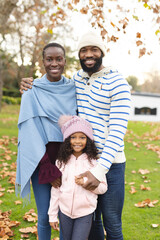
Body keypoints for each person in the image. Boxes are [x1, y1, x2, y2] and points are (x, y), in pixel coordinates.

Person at [20, 30, 131, 240]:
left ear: (102, 52)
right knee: (91, 220)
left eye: (94, 49)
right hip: (82, 159)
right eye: (84, 50)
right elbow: (52, 87)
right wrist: (29, 83)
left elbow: (117, 132)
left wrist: (99, 170)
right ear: (79, 55)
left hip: (111, 164)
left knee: (112, 223)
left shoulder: (118, 83)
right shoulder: (78, 80)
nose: (89, 54)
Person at [16, 42, 77, 240]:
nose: (54, 63)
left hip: (68, 162)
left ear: (65, 61)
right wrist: (47, 169)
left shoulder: (74, 89)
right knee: (44, 217)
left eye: (58, 59)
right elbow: (29, 134)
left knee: (67, 214)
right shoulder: (31, 90)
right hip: (41, 162)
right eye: (49, 59)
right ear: (42, 62)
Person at [48, 115, 107, 240]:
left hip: (85, 213)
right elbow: (55, 190)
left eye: (82, 137)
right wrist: (52, 215)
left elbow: (103, 188)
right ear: (67, 140)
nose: (77, 141)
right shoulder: (61, 162)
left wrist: (86, 182)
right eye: (73, 137)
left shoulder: (94, 163)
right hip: (64, 212)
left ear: (88, 140)